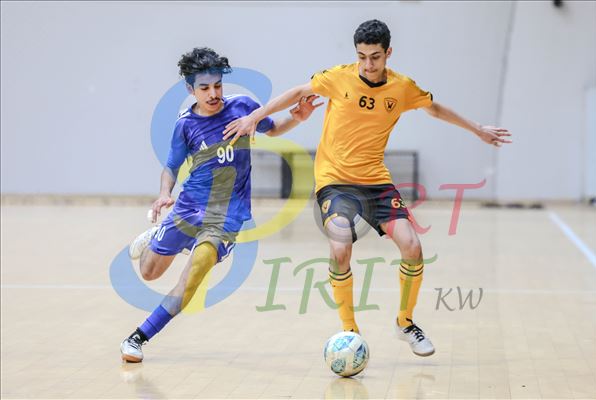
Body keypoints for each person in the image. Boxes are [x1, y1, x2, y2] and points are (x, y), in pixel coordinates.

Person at [223, 19, 512, 357]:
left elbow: (434, 108)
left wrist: (477, 129)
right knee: (340, 249)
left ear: (388, 53)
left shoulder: (402, 88)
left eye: (375, 57)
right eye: (361, 57)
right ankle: (350, 330)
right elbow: (299, 92)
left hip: (375, 181)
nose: (368, 64)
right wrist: (255, 117)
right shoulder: (338, 77)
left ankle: (405, 323)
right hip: (334, 181)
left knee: (412, 246)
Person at [120, 47, 321, 362]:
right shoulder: (185, 125)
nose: (213, 94)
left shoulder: (243, 107)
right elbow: (171, 166)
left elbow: (273, 129)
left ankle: (138, 337)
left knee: (195, 273)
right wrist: (164, 193)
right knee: (149, 272)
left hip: (226, 215)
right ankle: (158, 236)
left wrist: (296, 118)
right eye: (204, 88)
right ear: (191, 89)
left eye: (217, 85)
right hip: (188, 207)